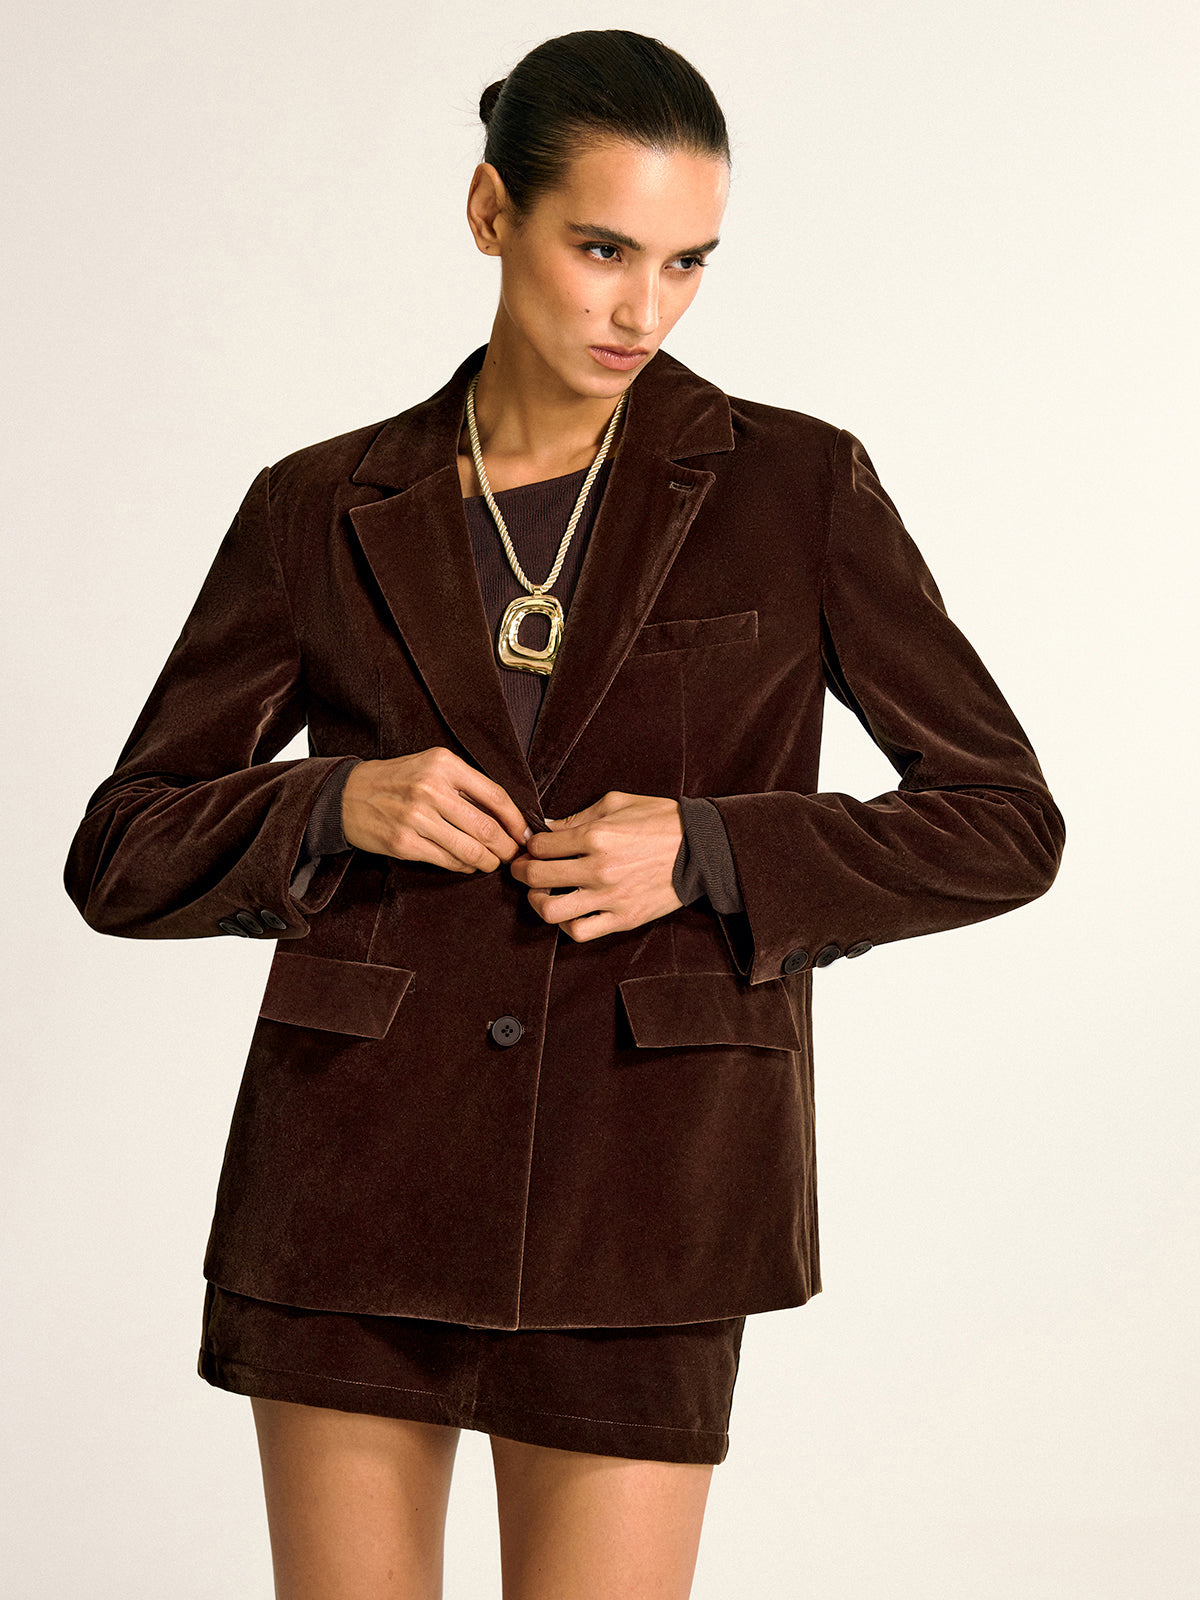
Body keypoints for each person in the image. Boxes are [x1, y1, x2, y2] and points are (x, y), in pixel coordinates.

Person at [63, 27, 1065, 1600]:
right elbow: (122, 851)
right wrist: (334, 801)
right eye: (602, 249)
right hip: (351, 1180)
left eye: (686, 263)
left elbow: (1002, 818)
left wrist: (714, 848)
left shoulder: (796, 487)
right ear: (491, 214)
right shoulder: (320, 504)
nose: (642, 311)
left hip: (648, 1190)